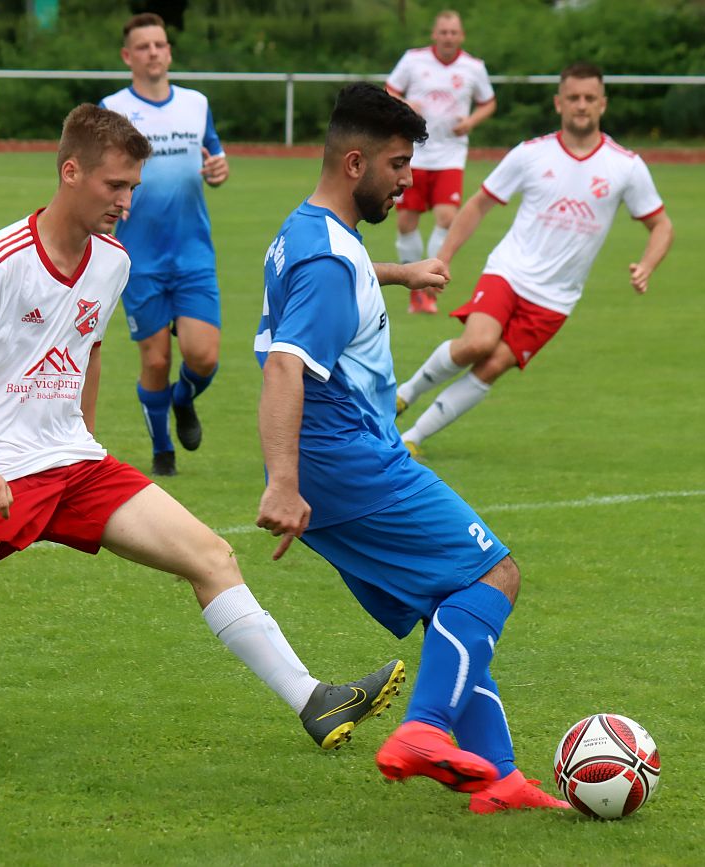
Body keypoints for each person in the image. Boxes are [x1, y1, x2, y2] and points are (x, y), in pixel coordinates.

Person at [0, 104, 404, 778]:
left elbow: (87, 347)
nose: (127, 202)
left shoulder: (112, 263)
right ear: (71, 172)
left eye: (133, 188)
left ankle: (314, 701)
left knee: (211, 556)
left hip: (74, 464)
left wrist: (83, 434)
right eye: (115, 186)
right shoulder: (0, 259)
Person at [254, 83, 569, 814]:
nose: (409, 181)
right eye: (399, 164)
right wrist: (283, 481)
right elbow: (284, 363)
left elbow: (331, 286)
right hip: (347, 456)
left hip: (336, 458)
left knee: (445, 601)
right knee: (494, 576)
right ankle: (425, 729)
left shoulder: (311, 233)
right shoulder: (330, 260)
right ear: (356, 161)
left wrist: (400, 274)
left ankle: (501, 777)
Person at [397, 62, 674, 455]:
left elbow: (662, 226)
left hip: (556, 298)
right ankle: (403, 395)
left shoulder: (625, 166)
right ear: (558, 102)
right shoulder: (530, 154)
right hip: (508, 271)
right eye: (574, 98)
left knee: (492, 366)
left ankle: (412, 439)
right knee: (477, 344)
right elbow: (477, 205)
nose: (582, 105)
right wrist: (442, 257)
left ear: (603, 104)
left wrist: (647, 264)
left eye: (590, 98)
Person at [100, 13, 229, 477]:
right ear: (128, 56)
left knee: (204, 356)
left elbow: (214, 154)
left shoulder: (196, 103)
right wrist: (114, 197)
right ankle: (162, 449)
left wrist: (220, 170)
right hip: (140, 256)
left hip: (193, 250)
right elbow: (102, 170)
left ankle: (183, 398)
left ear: (169, 52)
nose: (153, 52)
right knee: (155, 359)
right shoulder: (113, 107)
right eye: (144, 46)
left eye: (160, 44)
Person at [385, 9, 495, 314]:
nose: (448, 37)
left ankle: (429, 287)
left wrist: (471, 121)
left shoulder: (473, 67)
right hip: (415, 154)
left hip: (451, 155)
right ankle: (413, 285)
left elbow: (489, 102)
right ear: (435, 34)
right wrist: (405, 103)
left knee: (447, 217)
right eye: (443, 32)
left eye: (453, 32)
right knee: (407, 222)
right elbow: (390, 88)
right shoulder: (413, 59)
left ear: (461, 36)